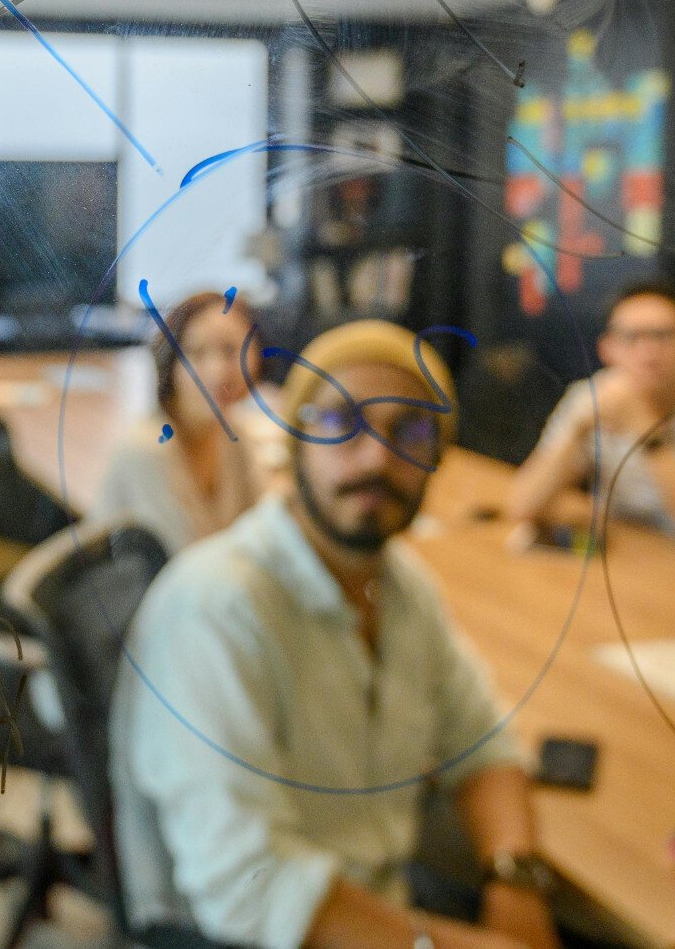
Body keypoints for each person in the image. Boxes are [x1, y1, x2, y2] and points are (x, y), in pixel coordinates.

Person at [112, 321, 561, 949]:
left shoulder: (402, 586)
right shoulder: (217, 608)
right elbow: (248, 887)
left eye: (410, 430)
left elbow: (483, 743)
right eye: (340, 422)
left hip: (372, 913)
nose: (377, 456)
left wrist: (514, 880)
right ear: (294, 443)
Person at [506, 279, 675, 554]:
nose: (647, 351)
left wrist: (649, 436)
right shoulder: (595, 395)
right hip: (626, 554)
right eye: (630, 337)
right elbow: (522, 506)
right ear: (607, 348)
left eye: (663, 336)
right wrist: (578, 430)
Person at [90, 289, 262, 555]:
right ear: (170, 364)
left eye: (230, 351)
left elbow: (261, 533)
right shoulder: (146, 449)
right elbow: (189, 565)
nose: (217, 372)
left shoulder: (234, 433)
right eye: (196, 353)